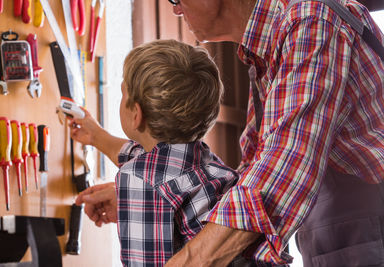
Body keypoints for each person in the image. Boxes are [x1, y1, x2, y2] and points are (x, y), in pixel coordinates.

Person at [161, 0, 384, 266]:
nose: (175, 9)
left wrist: (192, 260)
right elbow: (253, 166)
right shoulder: (269, 46)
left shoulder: (309, 20)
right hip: (345, 234)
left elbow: (287, 160)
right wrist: (156, 200)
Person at [72, 39, 250, 266]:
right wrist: (96, 136)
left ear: (136, 114)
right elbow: (152, 162)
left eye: (123, 93)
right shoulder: (207, 163)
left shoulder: (140, 180)